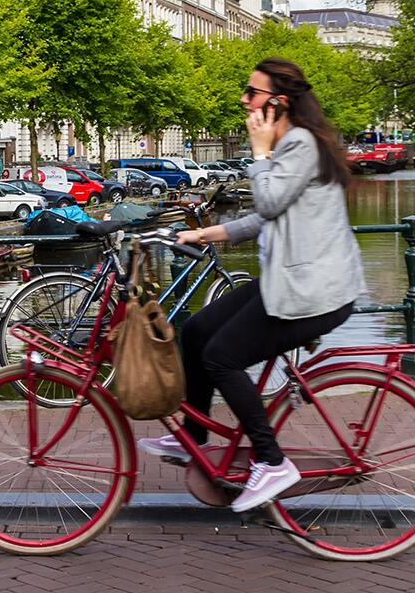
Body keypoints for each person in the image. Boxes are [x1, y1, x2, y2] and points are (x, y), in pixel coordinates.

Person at [138, 57, 366, 513]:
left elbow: (268, 197)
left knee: (223, 357)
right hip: (289, 283)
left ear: (278, 102)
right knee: (199, 331)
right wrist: (199, 234)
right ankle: (196, 439)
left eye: (252, 92)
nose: (244, 100)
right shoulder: (292, 146)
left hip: (314, 292)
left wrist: (259, 152)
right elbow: (264, 216)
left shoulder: (298, 143)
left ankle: (272, 461)